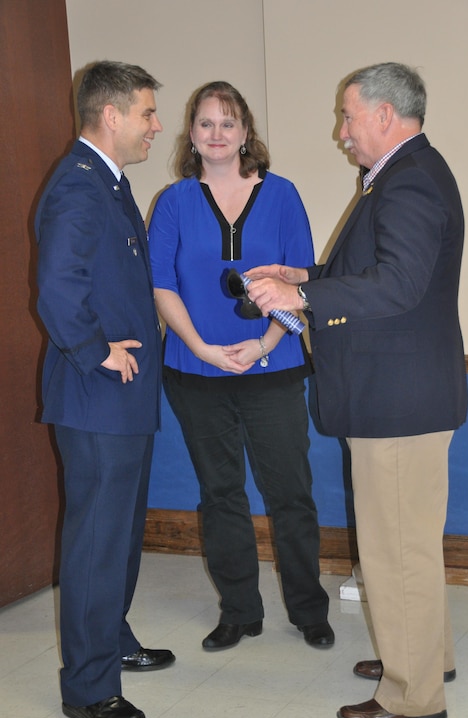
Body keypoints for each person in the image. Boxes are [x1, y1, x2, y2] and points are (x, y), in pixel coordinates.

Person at [246, 62, 468, 718]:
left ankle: (413, 693)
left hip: (397, 403)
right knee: (411, 546)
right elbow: (379, 276)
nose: (340, 131)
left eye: (347, 116)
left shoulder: (410, 184)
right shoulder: (405, 177)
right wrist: (303, 274)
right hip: (401, 396)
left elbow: (397, 287)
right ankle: (428, 657)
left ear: (384, 115)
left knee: (397, 550)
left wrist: (302, 295)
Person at [148, 81, 333, 651]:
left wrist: (266, 345)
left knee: (290, 492)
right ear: (192, 136)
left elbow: (300, 281)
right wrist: (202, 348)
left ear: (246, 133)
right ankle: (239, 611)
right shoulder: (174, 201)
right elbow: (160, 284)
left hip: (271, 371)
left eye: (228, 123)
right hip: (194, 370)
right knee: (221, 493)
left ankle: (308, 610)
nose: (217, 134)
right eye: (206, 124)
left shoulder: (281, 195)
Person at [35, 60, 174, 718]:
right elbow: (57, 291)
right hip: (96, 395)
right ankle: (89, 687)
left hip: (124, 398)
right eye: (147, 113)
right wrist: (95, 350)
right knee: (95, 541)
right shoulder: (79, 188)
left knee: (116, 537)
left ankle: (110, 638)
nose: (155, 126)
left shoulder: (110, 186)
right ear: (111, 114)